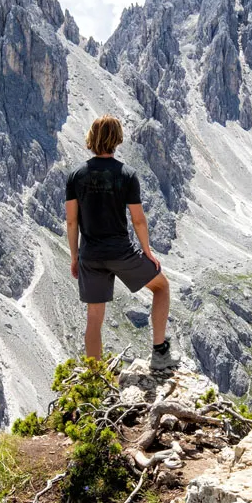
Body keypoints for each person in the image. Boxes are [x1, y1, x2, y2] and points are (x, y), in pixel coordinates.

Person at [65, 115, 178, 371]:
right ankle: (160, 354)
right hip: (121, 252)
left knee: (94, 318)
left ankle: (94, 380)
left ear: (92, 139)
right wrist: (147, 252)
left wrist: (75, 257)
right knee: (161, 287)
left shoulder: (76, 176)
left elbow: (72, 222)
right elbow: (138, 220)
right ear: (117, 140)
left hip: (90, 255)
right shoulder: (126, 175)